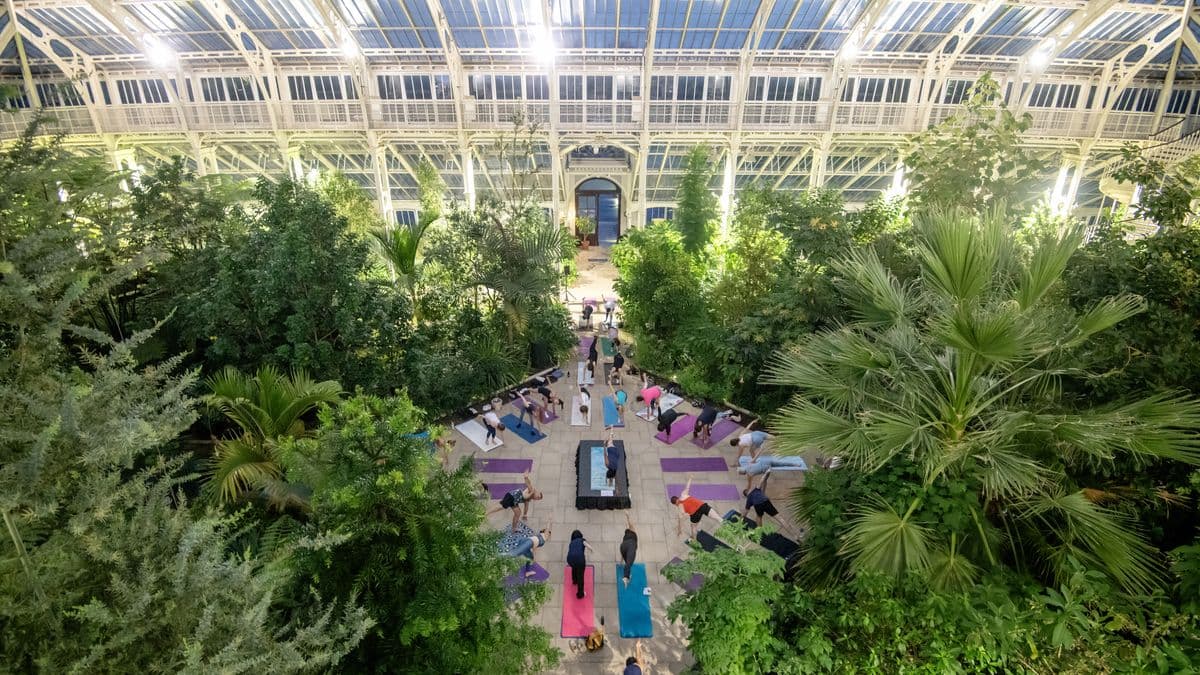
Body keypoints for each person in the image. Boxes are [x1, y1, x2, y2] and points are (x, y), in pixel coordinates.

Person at [566, 530, 594, 599]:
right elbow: (586, 545)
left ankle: (574, 581)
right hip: (580, 560)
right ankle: (580, 594)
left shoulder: (571, 542)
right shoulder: (581, 540)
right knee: (580, 577)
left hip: (570, 559)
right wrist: (591, 549)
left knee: (574, 568)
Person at [619, 512, 638, 587]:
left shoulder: (625, 537)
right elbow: (630, 523)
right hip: (631, 545)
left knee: (628, 563)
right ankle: (626, 577)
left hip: (623, 546)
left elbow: (622, 553)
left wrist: (621, 562)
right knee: (629, 563)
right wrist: (628, 515)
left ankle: (627, 576)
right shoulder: (632, 531)